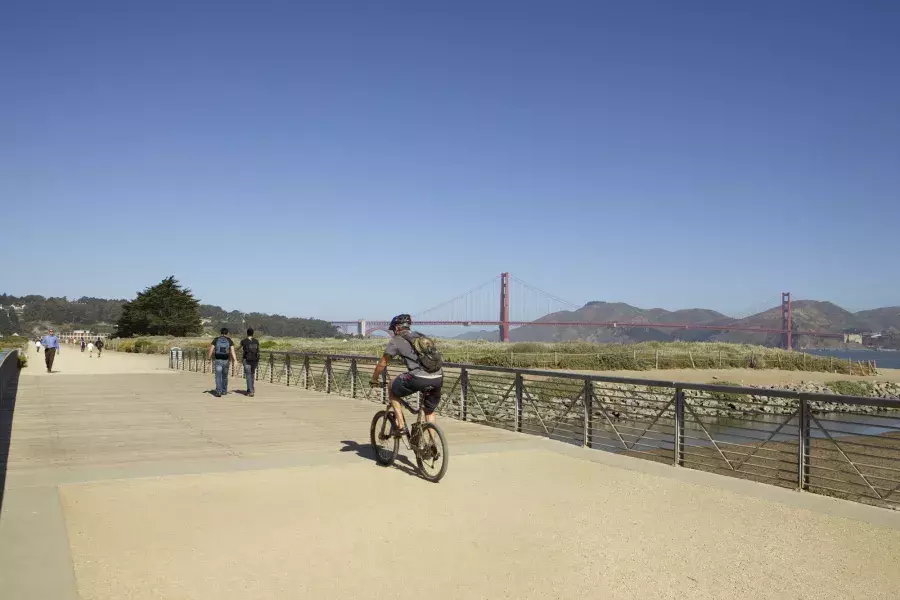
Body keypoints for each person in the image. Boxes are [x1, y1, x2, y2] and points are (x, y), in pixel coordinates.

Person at [370, 314, 443, 449]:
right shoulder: (421, 336)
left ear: (397, 328)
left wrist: (374, 379)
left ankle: (401, 425)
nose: (393, 333)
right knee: (429, 411)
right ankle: (433, 444)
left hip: (418, 377)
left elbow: (382, 363)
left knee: (392, 388)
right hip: (438, 377)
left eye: (393, 330)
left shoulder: (396, 340)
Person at [208, 327, 237, 397]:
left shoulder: (216, 339)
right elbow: (232, 351)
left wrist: (209, 359)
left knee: (218, 376)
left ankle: (218, 391)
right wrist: (235, 360)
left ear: (220, 333)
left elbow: (211, 349)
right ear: (227, 333)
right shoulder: (229, 340)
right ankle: (224, 391)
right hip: (226, 361)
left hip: (218, 360)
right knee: (224, 376)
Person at [239, 328, 260, 397]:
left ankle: (250, 391)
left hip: (246, 360)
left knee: (248, 375)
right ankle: (251, 389)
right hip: (254, 360)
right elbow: (258, 350)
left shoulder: (244, 341)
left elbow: (239, 347)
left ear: (247, 333)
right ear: (253, 333)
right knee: (252, 374)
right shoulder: (256, 341)